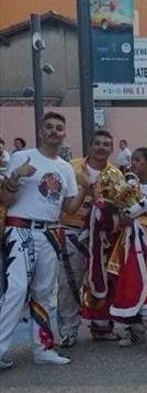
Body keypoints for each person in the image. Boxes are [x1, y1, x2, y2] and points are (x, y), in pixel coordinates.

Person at [0, 112, 87, 368]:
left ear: (64, 133)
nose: (54, 131)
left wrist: (85, 188)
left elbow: (69, 208)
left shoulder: (65, 168)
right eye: (49, 127)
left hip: (50, 231)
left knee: (45, 292)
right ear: (40, 131)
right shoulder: (21, 157)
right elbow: (6, 200)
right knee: (16, 289)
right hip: (21, 228)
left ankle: (43, 348)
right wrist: (16, 177)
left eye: (59, 128)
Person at [57, 130, 121, 345]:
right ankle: (69, 330)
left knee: (101, 279)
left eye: (106, 144)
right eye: (98, 143)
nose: (102, 148)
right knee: (70, 281)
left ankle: (101, 326)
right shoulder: (71, 167)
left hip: (102, 237)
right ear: (90, 146)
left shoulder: (116, 175)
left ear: (112, 149)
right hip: (72, 229)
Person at [110, 148, 147, 348]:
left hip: (146, 243)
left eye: (137, 160)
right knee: (127, 279)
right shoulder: (128, 184)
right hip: (128, 241)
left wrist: (137, 219)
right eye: (132, 160)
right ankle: (128, 326)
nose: (133, 163)